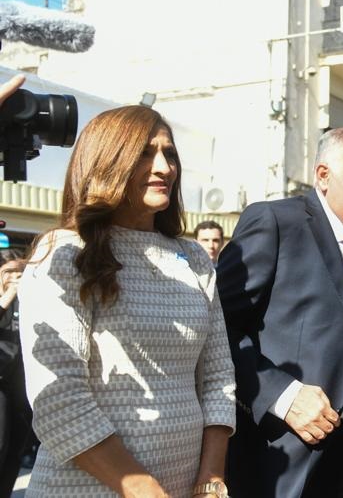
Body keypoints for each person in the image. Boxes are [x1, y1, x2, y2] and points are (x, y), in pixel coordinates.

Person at [18, 105, 236, 497]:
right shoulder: (65, 254)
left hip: (184, 484)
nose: (164, 167)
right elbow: (59, 400)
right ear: (106, 163)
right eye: (144, 154)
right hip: (85, 488)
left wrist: (211, 477)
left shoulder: (196, 258)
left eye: (169, 154)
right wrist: (145, 490)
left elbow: (219, 376)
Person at [217, 126, 343, 498]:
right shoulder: (278, 222)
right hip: (288, 454)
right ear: (323, 175)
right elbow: (217, 327)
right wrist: (281, 395)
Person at [0, 250, 31, 496]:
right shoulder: (5, 300)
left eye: (20, 273)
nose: (15, 277)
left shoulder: (30, 301)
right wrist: (8, 295)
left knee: (16, 449)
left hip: (21, 385)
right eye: (8, 272)